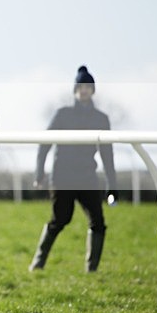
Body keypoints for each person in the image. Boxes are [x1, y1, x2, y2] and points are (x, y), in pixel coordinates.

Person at [30, 65, 117, 272]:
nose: (83, 90)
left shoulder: (101, 119)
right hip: (62, 178)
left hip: (87, 178)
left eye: (87, 86)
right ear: (75, 90)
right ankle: (38, 263)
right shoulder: (63, 114)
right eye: (80, 86)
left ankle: (91, 270)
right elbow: (44, 144)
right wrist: (39, 173)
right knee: (60, 220)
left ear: (92, 90)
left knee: (98, 222)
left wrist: (112, 184)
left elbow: (107, 153)